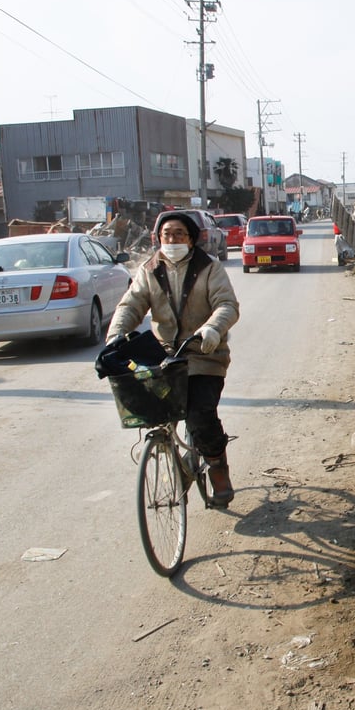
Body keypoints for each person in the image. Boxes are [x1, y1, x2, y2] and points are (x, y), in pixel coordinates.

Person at [107, 211, 241, 508]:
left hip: (204, 355)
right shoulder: (149, 270)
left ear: (191, 239)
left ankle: (218, 467)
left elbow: (227, 304)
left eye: (179, 234)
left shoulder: (210, 267)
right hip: (164, 359)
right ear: (158, 238)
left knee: (199, 416)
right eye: (167, 234)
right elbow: (131, 305)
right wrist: (115, 336)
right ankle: (175, 455)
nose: (173, 239)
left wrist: (212, 329)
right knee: (151, 408)